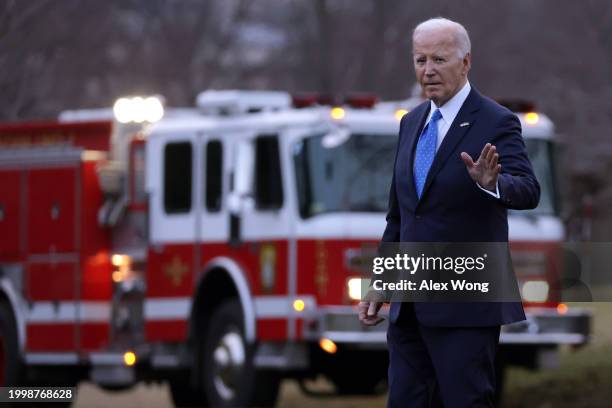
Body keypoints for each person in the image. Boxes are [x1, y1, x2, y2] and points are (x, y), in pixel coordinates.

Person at [358, 17, 540, 407]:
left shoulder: (497, 120)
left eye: (439, 59)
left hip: (466, 300)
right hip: (409, 304)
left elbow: (528, 190)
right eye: (420, 60)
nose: (428, 70)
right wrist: (382, 280)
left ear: (466, 62)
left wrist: (490, 184)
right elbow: (401, 215)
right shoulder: (410, 123)